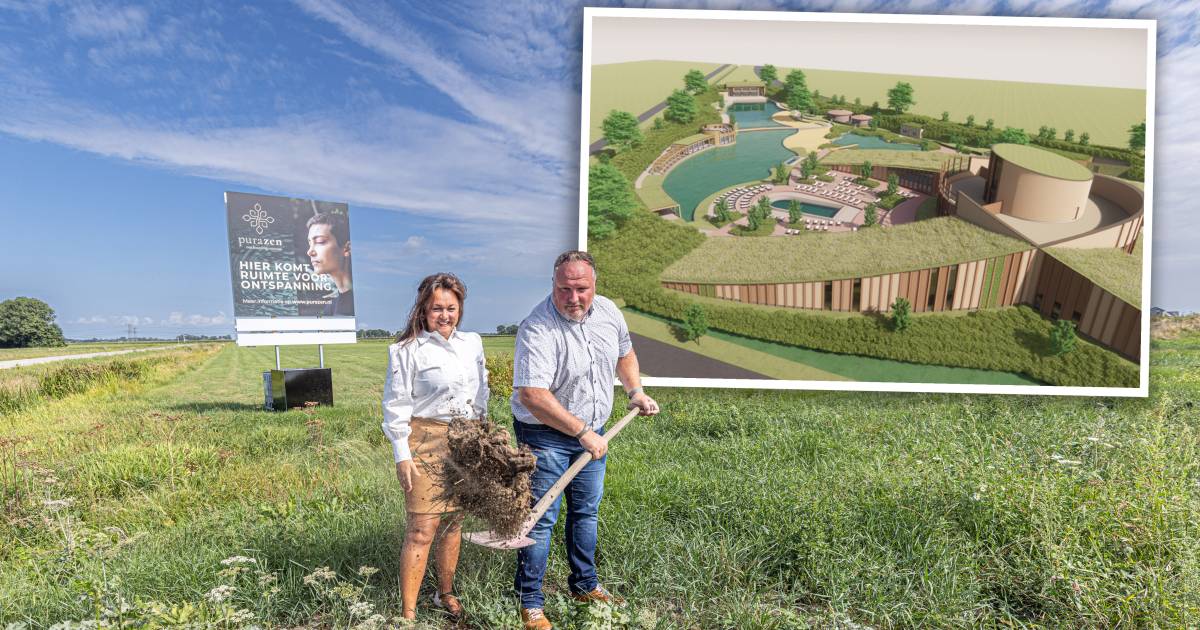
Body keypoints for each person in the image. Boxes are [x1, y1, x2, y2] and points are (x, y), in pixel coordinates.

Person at [510, 250, 660, 630]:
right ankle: (530, 603)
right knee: (540, 518)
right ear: (553, 285)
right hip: (545, 435)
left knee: (585, 513)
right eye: (564, 289)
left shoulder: (608, 311)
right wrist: (581, 432)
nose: (572, 297)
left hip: (594, 433)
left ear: (595, 285)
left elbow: (625, 354)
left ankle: (585, 585)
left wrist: (635, 391)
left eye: (581, 288)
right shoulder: (538, 328)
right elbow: (533, 395)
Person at [381, 273, 488, 621]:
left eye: (451, 308)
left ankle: (446, 593)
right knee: (422, 527)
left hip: (465, 441)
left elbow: (481, 394)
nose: (445, 315)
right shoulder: (406, 350)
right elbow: (395, 405)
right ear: (423, 310)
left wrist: (481, 440)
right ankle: (408, 613)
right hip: (424, 439)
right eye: (437, 308)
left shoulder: (472, 343)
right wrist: (402, 455)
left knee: (453, 523)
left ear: (460, 309)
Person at [306, 212, 354, 316]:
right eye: (309, 243)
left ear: (347, 248)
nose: (310, 251)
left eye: (319, 241)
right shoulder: (330, 309)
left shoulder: (360, 301)